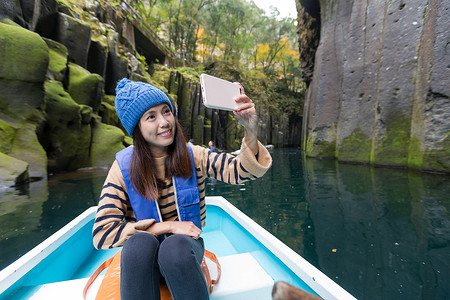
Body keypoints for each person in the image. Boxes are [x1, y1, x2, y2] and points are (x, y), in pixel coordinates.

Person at [92, 78, 272, 300]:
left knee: (174, 247)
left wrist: (250, 131)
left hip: (183, 255)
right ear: (136, 129)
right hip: (143, 264)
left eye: (166, 111)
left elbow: (242, 171)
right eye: (151, 116)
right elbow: (102, 233)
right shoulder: (121, 169)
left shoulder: (193, 155)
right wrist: (166, 226)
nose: (164, 122)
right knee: (139, 243)